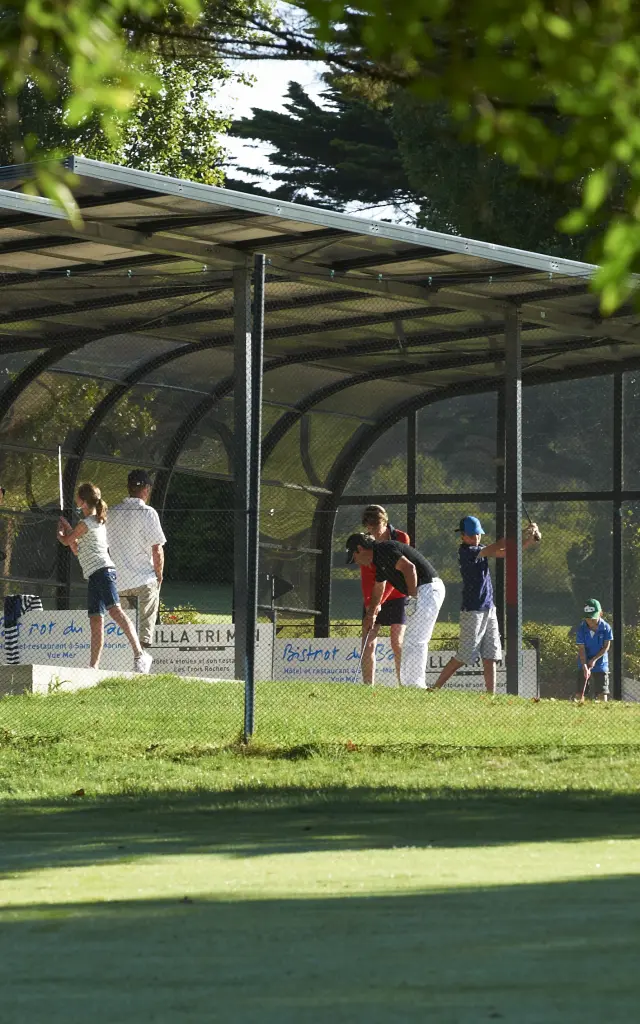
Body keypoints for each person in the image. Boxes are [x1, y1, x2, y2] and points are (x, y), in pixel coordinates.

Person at [432, 514, 541, 694]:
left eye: (478, 534)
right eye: (472, 535)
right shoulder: (467, 552)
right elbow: (499, 545)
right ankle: (435, 689)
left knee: (491, 654)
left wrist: (529, 540)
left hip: (489, 608)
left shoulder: (480, 548)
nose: (477, 538)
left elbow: (508, 552)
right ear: (463, 536)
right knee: (465, 655)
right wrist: (523, 532)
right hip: (472, 611)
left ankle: (491, 696)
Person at [57, 482, 152, 673]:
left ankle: (140, 654)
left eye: (78, 497)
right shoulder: (90, 522)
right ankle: (94, 666)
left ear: (82, 502)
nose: (76, 500)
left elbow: (67, 541)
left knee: (115, 611)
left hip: (103, 572)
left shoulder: (87, 523)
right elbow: (76, 549)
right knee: (95, 619)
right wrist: (67, 528)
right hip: (94, 575)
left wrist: (61, 534)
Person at [345, 533, 445, 688]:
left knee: (416, 639)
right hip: (423, 590)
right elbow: (379, 587)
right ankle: (409, 684)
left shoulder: (385, 549)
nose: (357, 563)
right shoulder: (379, 559)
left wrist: (412, 598)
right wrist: (371, 614)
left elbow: (409, 568)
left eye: (355, 558)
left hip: (427, 589)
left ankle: (415, 685)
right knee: (412, 639)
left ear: (359, 549)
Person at [106, 470, 166, 650]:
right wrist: (159, 575)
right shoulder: (148, 513)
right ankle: (141, 662)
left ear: (128, 488)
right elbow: (157, 549)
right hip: (143, 580)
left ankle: (129, 664)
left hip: (120, 581)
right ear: (147, 489)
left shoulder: (112, 513)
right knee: (143, 631)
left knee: (126, 630)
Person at [358, 504, 410, 685]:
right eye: (368, 527)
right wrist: (369, 604)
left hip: (396, 595)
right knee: (368, 641)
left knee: (397, 641)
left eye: (375, 527)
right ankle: (367, 686)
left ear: (385, 522)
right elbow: (366, 575)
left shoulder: (401, 538)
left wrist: (379, 602)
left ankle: (404, 683)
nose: (372, 532)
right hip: (373, 595)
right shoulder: (364, 542)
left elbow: (396, 575)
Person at [575, 598, 613, 703]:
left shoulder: (606, 628)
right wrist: (584, 666)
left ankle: (603, 709)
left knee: (602, 691)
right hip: (584, 661)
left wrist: (595, 659)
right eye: (588, 618)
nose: (590, 621)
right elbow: (581, 649)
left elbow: (606, 647)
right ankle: (578, 706)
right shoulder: (581, 629)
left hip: (601, 663)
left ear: (600, 614)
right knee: (580, 689)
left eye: (593, 618)